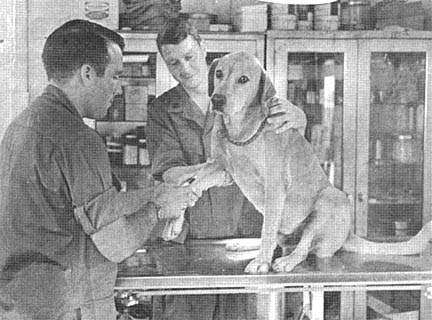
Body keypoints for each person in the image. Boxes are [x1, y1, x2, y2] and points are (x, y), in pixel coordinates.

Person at [0, 19, 199, 320]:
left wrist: (155, 192)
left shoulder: (22, 124)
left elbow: (92, 207)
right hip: (68, 306)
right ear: (88, 73)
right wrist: (158, 208)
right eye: (115, 76)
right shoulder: (76, 137)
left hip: (19, 303)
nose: (118, 89)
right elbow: (115, 244)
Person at [146, 18, 307, 320]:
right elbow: (169, 172)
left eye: (189, 56)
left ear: (204, 48)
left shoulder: (253, 97)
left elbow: (289, 157)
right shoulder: (162, 111)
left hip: (246, 237)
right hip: (192, 246)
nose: (184, 68)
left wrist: (299, 119)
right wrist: (218, 172)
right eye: (173, 62)